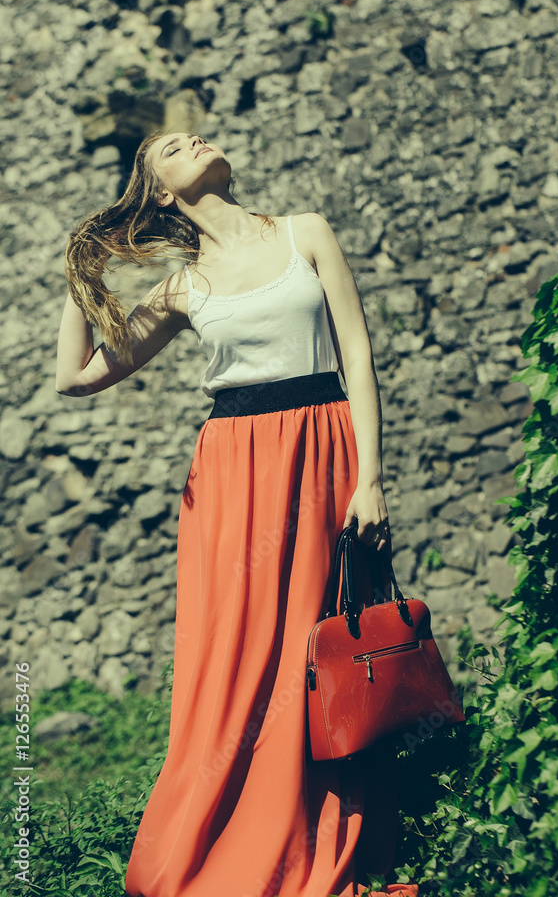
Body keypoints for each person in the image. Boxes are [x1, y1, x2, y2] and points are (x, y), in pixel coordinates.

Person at [55, 130, 419, 897]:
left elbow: (356, 355)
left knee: (318, 637)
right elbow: (76, 377)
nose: (193, 138)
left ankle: (321, 820)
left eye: (193, 135)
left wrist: (371, 476)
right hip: (234, 470)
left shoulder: (304, 232)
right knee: (241, 652)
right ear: (161, 191)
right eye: (170, 148)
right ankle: (230, 832)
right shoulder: (182, 288)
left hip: (323, 448)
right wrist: (80, 282)